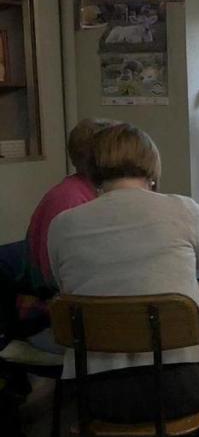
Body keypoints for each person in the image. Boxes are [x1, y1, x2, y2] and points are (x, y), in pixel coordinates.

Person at [48, 123, 199, 437]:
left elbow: (62, 285)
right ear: (151, 165)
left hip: (94, 392)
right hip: (176, 384)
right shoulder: (181, 209)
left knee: (145, 378)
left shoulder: (62, 224)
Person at [16, 118, 116, 352]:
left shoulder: (89, 191)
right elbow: (60, 277)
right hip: (50, 323)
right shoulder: (70, 200)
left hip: (75, 314)